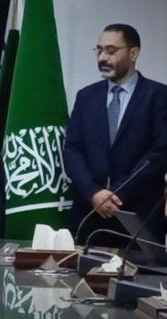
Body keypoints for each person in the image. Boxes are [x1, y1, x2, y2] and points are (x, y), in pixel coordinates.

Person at [64, 23, 167, 245]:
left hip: (139, 218)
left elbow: (159, 155)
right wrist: (93, 193)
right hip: (90, 215)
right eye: (99, 50)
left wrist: (116, 195)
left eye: (111, 51)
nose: (103, 57)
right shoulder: (86, 97)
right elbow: (72, 149)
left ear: (133, 53)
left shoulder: (159, 96)